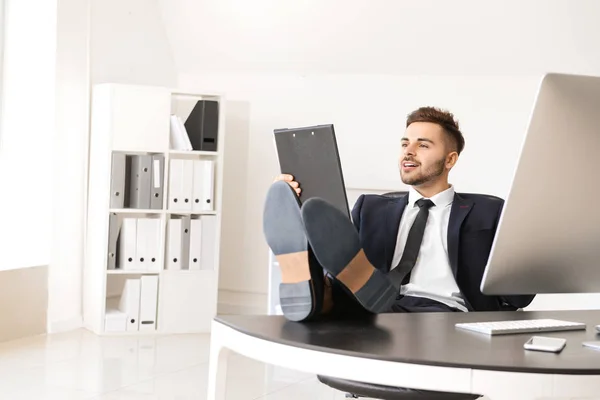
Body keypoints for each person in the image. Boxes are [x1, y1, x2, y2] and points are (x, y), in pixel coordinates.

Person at [263, 106, 535, 322]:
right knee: (346, 292)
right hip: (373, 307)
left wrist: (531, 242)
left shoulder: (489, 212)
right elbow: (338, 261)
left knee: (367, 306)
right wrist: (299, 200)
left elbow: (518, 297)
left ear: (450, 159)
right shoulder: (369, 208)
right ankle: (309, 275)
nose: (409, 151)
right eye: (405, 143)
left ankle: (334, 293)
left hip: (444, 314)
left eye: (423, 145)